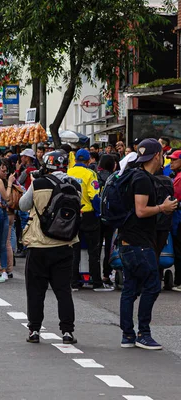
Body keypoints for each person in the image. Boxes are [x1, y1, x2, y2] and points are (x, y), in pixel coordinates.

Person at [118, 138, 177, 350]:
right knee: (152, 285)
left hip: (128, 241)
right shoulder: (142, 179)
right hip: (139, 244)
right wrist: (163, 207)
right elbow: (141, 210)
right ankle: (143, 333)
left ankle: (127, 335)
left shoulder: (133, 175)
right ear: (157, 156)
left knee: (130, 288)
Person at [19, 150, 80, 344]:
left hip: (39, 244)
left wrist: (33, 180)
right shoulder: (75, 185)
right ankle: (67, 332)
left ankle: (34, 330)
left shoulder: (38, 184)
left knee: (36, 290)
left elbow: (22, 205)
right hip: (65, 244)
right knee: (63, 291)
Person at [68, 149, 110, 291]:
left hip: (72, 215)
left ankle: (73, 282)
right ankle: (96, 282)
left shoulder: (68, 173)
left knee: (75, 249)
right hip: (88, 215)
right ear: (88, 161)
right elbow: (95, 197)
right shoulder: (90, 174)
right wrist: (99, 213)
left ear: (75, 160)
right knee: (93, 250)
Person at [97, 154, 117, 285]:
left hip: (96, 216)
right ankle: (106, 273)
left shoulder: (95, 176)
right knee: (109, 245)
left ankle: (93, 272)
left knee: (96, 246)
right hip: (111, 216)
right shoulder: (115, 179)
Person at [168, 150, 181, 292]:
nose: (171, 162)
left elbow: (174, 196)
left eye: (174, 160)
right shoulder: (175, 176)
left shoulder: (179, 178)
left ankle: (179, 281)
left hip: (178, 219)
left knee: (179, 252)